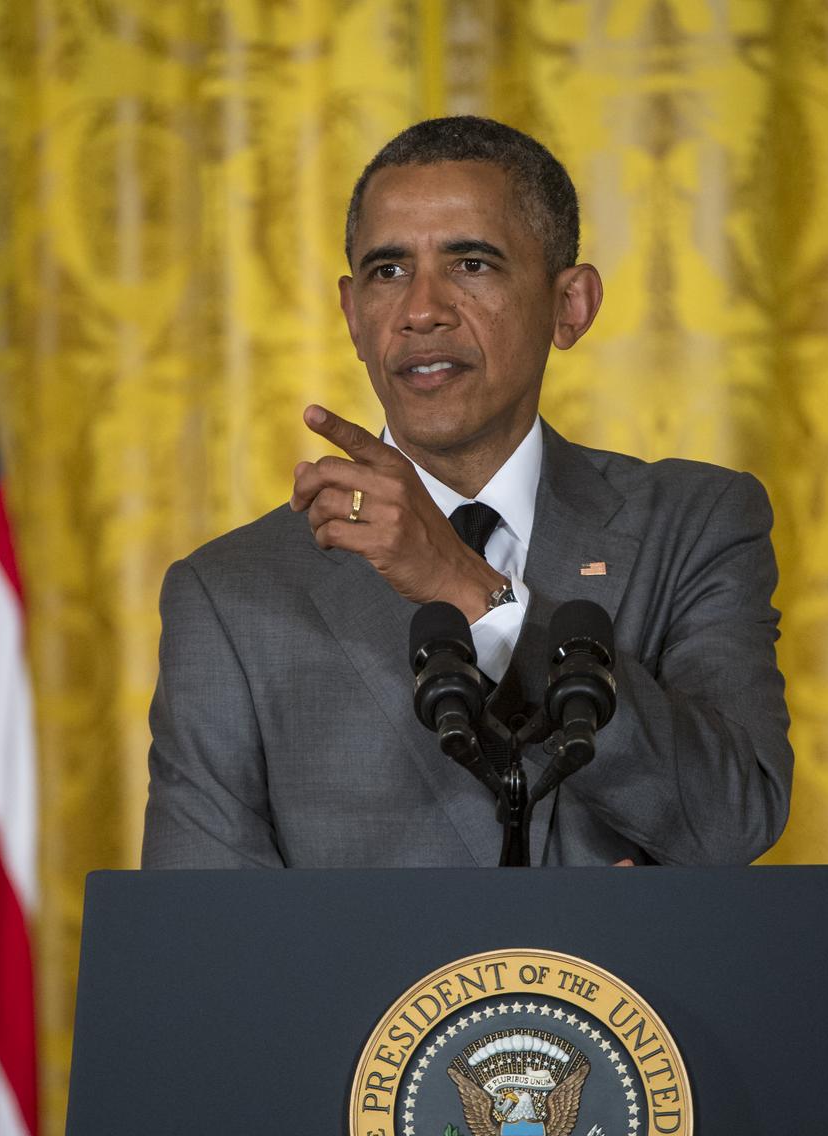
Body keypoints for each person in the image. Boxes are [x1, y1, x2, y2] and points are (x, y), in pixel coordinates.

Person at [141, 116, 792, 870]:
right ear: (353, 316)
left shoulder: (695, 525)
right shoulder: (231, 595)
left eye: (471, 264)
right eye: (388, 272)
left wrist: (468, 587)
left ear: (569, 305)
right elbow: (208, 942)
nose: (421, 310)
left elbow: (733, 820)